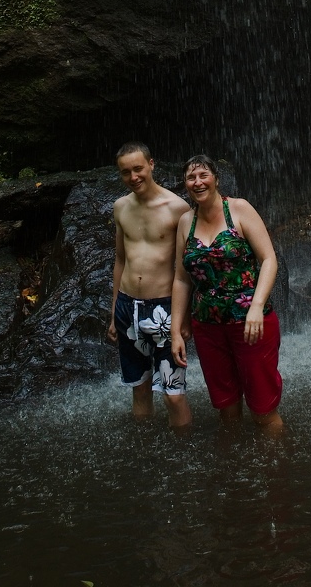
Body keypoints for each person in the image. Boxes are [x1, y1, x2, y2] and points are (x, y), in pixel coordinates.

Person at [171, 154, 283, 434]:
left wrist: (256, 306)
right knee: (227, 410)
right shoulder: (186, 221)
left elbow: (269, 259)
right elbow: (181, 279)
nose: (197, 182)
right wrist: (175, 330)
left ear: (216, 179)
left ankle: (277, 470)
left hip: (250, 325)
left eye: (203, 175)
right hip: (207, 327)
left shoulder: (239, 210)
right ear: (185, 184)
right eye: (191, 177)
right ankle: (235, 472)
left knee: (263, 411)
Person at [107, 141, 193, 427]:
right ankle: (145, 457)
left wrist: (184, 319)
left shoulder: (177, 208)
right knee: (139, 388)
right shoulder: (120, 207)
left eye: (138, 169)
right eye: (125, 172)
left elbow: (186, 271)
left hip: (165, 310)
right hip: (127, 307)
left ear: (152, 165)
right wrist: (113, 314)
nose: (133, 177)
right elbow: (120, 260)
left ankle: (183, 458)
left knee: (173, 394)